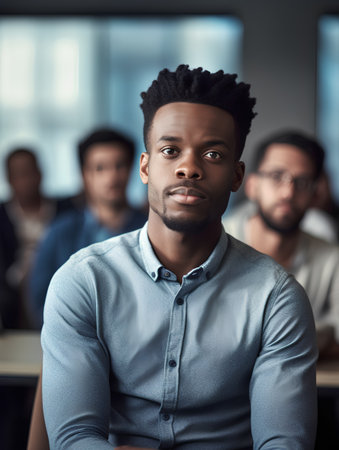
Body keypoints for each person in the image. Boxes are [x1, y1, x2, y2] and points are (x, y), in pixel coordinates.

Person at [41, 65, 317, 449]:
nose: (189, 167)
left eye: (213, 153)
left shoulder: (276, 297)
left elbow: (283, 443)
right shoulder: (84, 281)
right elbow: (75, 438)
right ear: (146, 166)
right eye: (170, 151)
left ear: (237, 176)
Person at [223, 130, 339, 357]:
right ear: (252, 185)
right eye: (276, 176)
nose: (288, 192)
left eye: (302, 182)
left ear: (315, 194)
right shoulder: (215, 241)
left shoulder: (332, 258)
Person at [29, 128, 147, 328]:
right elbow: (40, 299)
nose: (112, 177)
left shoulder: (151, 228)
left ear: (133, 169)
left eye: (120, 165)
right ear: (85, 175)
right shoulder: (61, 231)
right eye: (100, 168)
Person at [0, 148, 74, 329]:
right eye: (18, 174)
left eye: (29, 172)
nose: (25, 180)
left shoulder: (64, 209)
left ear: (40, 174)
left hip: (56, 285)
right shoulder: (2, 215)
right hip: (12, 297)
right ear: (9, 179)